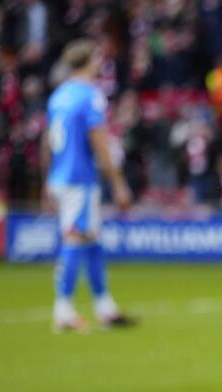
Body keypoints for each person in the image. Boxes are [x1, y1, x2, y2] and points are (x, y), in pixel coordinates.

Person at [41, 39, 136, 333]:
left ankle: (105, 306)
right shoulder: (90, 96)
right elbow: (99, 141)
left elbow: (47, 142)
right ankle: (63, 310)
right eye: (97, 58)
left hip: (59, 177)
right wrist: (118, 183)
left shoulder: (57, 96)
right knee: (75, 239)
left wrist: (46, 180)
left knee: (91, 238)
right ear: (90, 62)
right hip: (79, 179)